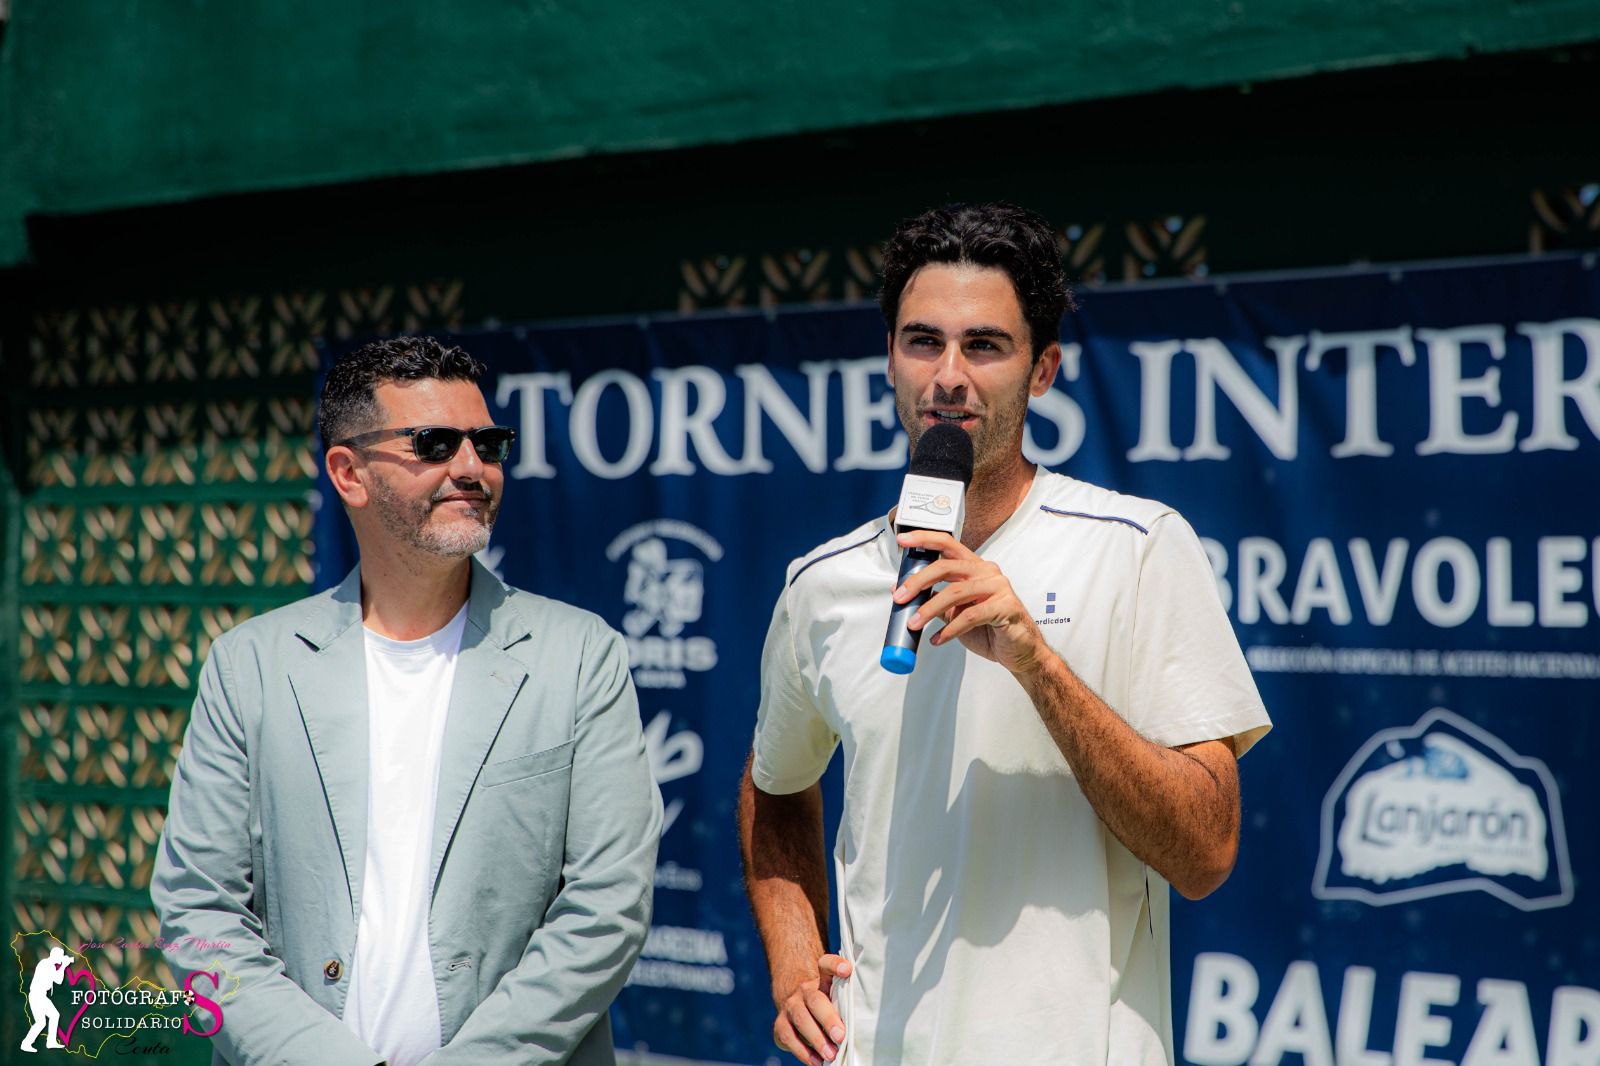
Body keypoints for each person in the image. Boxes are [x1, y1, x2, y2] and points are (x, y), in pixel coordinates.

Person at [738, 203, 1271, 1066]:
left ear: (1044, 369)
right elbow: (774, 786)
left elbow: (1206, 851)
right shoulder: (822, 582)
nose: (948, 376)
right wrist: (795, 960)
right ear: (890, 360)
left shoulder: (1137, 548)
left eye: (984, 346)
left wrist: (1034, 660)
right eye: (922, 342)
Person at [152, 336, 662, 1066]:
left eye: (488, 443)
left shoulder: (581, 657)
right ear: (348, 472)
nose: (471, 468)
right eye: (433, 442)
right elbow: (198, 911)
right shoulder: (252, 665)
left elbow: (606, 912)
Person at [20, 944, 71, 1053]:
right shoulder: (46, 964)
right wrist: (63, 966)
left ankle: (49, 1041)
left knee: (52, 1016)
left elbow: (59, 981)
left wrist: (63, 966)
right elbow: (58, 979)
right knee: (42, 1022)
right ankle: (27, 1043)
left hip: (40, 995)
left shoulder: (49, 965)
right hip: (37, 995)